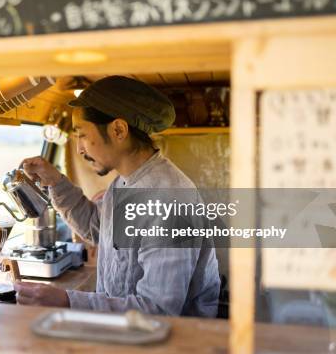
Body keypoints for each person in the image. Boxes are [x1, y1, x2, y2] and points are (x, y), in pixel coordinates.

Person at [15, 75, 220, 317]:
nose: (79, 148)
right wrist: (55, 182)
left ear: (118, 130)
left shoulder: (168, 201)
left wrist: (67, 300)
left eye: (81, 134)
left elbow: (158, 309)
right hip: (127, 332)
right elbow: (96, 228)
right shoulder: (122, 183)